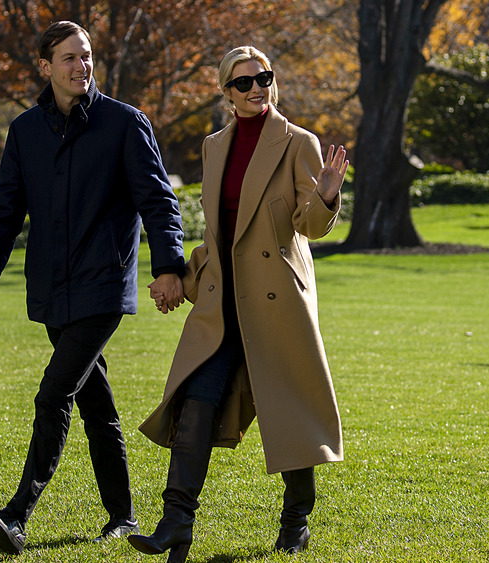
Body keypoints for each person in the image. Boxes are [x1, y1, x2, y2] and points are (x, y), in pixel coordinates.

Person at [0, 21, 186, 555]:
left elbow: (159, 203)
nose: (80, 66)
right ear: (45, 66)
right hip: (50, 290)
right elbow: (4, 210)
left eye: (85, 56)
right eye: (68, 58)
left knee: (54, 392)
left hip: (102, 285)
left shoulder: (124, 124)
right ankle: (123, 515)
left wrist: (169, 266)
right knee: (95, 402)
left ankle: (17, 515)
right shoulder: (23, 132)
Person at [127, 45, 347, 561]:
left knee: (286, 407)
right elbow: (218, 234)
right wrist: (181, 275)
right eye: (244, 83)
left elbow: (308, 227)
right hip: (222, 299)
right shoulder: (214, 146)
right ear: (226, 92)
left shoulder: (299, 143)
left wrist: (329, 194)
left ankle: (296, 519)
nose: (256, 89)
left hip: (276, 298)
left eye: (263, 79)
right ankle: (176, 521)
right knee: (196, 399)